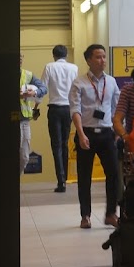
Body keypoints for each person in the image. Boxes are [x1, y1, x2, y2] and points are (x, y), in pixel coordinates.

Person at [69, 43, 121, 230]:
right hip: (87, 133)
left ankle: (110, 214)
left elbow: (116, 108)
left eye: (104, 57)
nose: (102, 61)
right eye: (98, 57)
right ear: (89, 60)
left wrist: (117, 132)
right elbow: (75, 110)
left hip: (107, 134)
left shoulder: (112, 82)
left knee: (113, 174)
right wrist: (80, 134)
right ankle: (85, 215)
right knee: (84, 177)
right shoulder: (79, 83)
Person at [42, 44, 79, 193]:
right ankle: (64, 179)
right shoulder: (74, 68)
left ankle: (61, 181)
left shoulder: (49, 67)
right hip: (69, 109)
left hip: (55, 109)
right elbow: (76, 89)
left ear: (54, 55)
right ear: (66, 55)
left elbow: (43, 88)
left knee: (56, 145)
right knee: (64, 143)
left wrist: (37, 105)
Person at [19, 52, 48, 176]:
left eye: (21, 58)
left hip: (24, 120)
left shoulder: (28, 75)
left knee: (25, 157)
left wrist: (34, 93)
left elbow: (44, 88)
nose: (19, 60)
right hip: (8, 120)